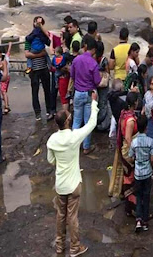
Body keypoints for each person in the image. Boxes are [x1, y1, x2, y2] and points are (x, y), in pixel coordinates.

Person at [47, 90, 98, 257]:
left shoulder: (52, 140)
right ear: (68, 121)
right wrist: (94, 103)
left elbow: (51, 160)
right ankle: (75, 247)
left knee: (61, 215)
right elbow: (91, 124)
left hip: (61, 184)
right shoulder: (75, 136)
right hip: (74, 183)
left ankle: (60, 246)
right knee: (72, 216)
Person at [69, 36, 102, 155]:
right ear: (94, 49)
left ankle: (73, 145)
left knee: (76, 121)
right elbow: (97, 81)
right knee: (88, 123)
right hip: (89, 94)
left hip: (78, 93)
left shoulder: (76, 60)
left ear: (85, 46)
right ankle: (86, 147)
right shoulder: (93, 63)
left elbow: (72, 75)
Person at [108, 92, 139, 215]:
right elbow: (128, 138)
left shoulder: (123, 114)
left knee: (127, 177)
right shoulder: (130, 120)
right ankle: (131, 207)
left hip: (123, 149)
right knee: (130, 179)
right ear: (135, 103)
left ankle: (128, 206)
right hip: (128, 151)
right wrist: (134, 152)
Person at [128, 114, 153, 233]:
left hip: (138, 174)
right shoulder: (150, 141)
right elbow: (152, 159)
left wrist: (136, 160)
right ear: (146, 127)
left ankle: (138, 220)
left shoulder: (134, 142)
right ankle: (145, 220)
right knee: (146, 196)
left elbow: (130, 157)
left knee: (138, 196)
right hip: (147, 173)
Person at [25, 16, 53, 121]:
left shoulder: (42, 36)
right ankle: (37, 113)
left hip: (44, 68)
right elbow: (26, 54)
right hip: (34, 70)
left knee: (47, 90)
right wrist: (40, 54)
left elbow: (49, 39)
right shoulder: (29, 38)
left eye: (41, 23)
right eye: (37, 23)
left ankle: (49, 110)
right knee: (35, 92)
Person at [0, 43, 11, 115]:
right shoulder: (7, 57)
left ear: (0, 53)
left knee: (3, 91)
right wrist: (10, 45)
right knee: (4, 91)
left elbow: (1, 68)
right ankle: (6, 102)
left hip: (3, 77)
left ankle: (6, 106)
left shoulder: (2, 61)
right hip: (8, 76)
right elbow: (8, 52)